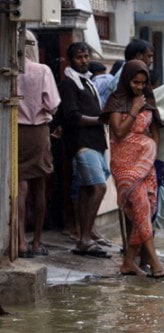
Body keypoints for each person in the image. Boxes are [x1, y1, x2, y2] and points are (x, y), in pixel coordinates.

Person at [100, 60, 164, 278]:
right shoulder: (117, 101)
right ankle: (155, 263)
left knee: (147, 209)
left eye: (143, 83)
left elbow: (155, 129)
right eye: (135, 82)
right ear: (126, 80)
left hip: (145, 163)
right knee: (139, 207)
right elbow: (119, 132)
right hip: (124, 164)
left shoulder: (147, 100)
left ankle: (129, 262)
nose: (139, 87)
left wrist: (151, 150)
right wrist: (134, 109)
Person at [58, 42, 111, 258]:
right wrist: (100, 120)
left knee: (86, 190)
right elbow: (73, 117)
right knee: (98, 188)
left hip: (96, 142)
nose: (84, 60)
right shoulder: (69, 84)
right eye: (80, 57)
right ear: (71, 60)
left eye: (86, 56)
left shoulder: (86, 81)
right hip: (82, 143)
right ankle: (86, 238)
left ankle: (84, 238)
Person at [16, 30, 61, 258]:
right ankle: (36, 243)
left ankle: (20, 240)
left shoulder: (10, 70)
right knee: (40, 186)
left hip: (15, 132)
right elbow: (52, 104)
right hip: (39, 132)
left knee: (20, 186)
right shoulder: (42, 70)